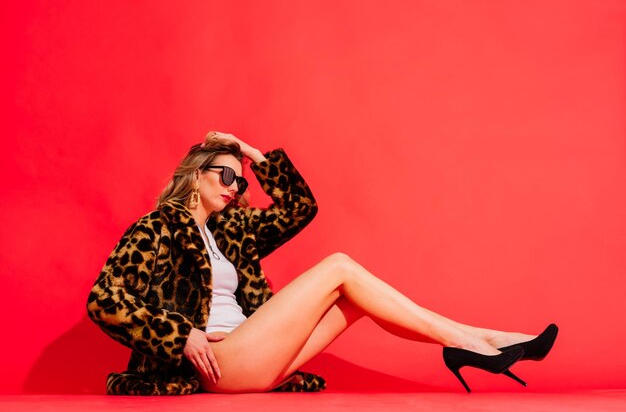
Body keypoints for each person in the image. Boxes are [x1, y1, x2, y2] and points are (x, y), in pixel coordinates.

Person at [87, 132, 558, 395]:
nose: (235, 184)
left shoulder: (232, 231)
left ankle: (487, 340)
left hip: (259, 358)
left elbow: (300, 207)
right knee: (340, 267)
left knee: (355, 300)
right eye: (225, 172)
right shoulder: (159, 226)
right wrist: (180, 333)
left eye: (240, 177)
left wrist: (250, 153)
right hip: (219, 365)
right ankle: (474, 342)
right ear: (195, 174)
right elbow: (103, 299)